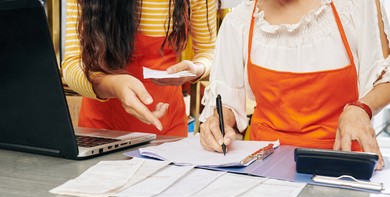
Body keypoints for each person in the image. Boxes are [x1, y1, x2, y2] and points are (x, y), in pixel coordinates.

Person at [199, 0, 390, 169]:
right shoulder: (240, 22)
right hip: (263, 166)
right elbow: (226, 102)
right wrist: (218, 123)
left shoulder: (354, 5)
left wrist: (361, 108)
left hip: (342, 161)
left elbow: (385, 78)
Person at [62, 0, 220, 137]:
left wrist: (197, 68)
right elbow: (72, 65)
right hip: (102, 130)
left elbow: (209, 51)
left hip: (167, 126)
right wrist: (112, 85)